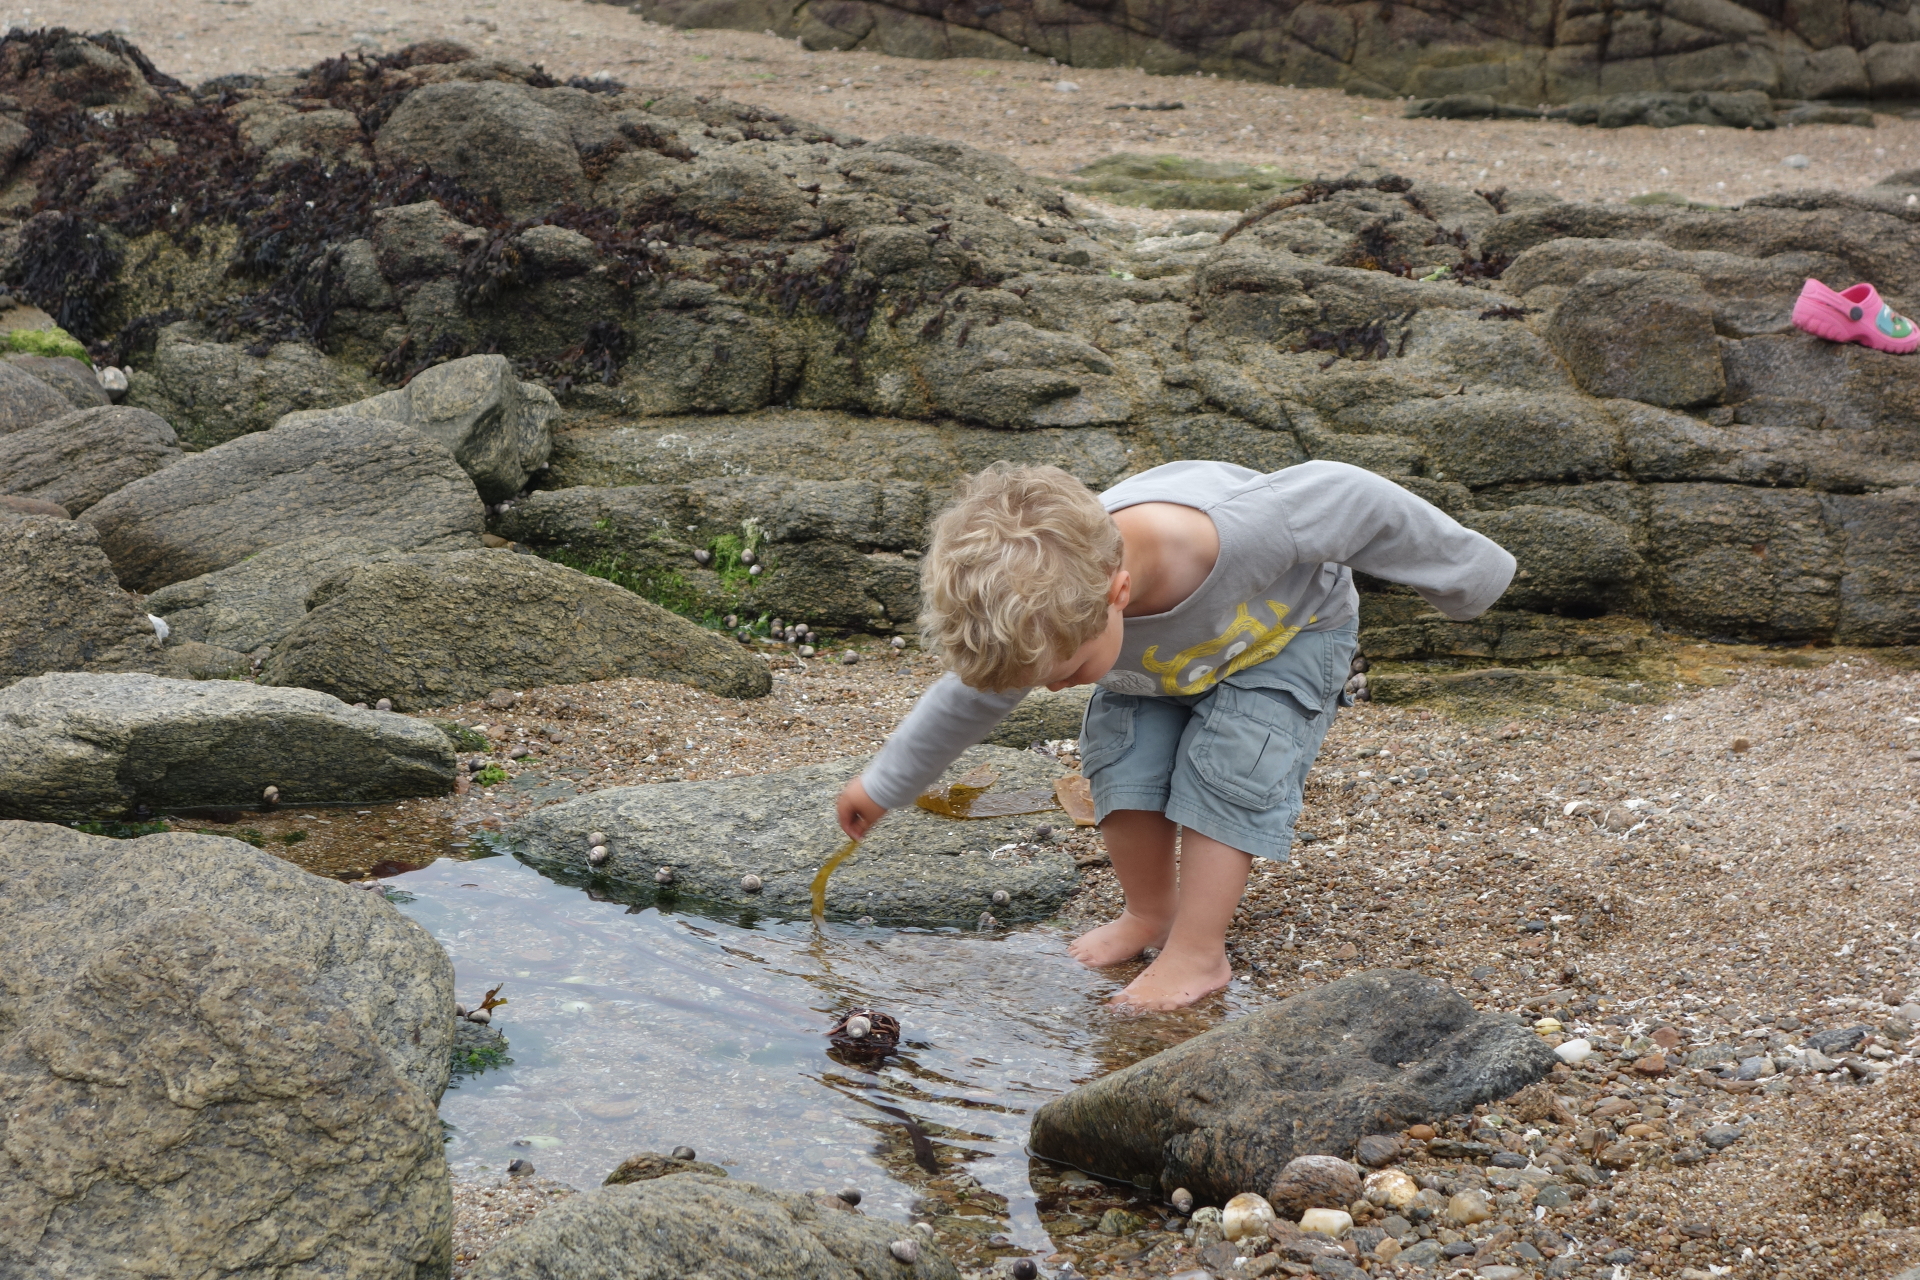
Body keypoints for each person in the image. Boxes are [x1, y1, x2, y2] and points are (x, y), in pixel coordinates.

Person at [835, 459, 1515, 1011]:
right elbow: (966, 700)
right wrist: (883, 784)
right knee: (1123, 756)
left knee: (1232, 767)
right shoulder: (1050, 608)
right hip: (1162, 663)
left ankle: (1198, 952)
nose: (1053, 690)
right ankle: (1150, 912)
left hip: (1286, 636)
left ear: (1119, 593)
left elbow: (1356, 496)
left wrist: (1469, 578)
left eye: (1066, 673)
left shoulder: (1241, 529)